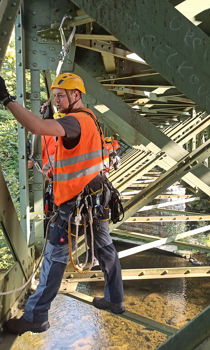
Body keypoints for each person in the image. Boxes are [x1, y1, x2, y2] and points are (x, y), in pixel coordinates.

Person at [0, 72, 125, 335]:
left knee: (53, 261)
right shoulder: (89, 119)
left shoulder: (74, 122)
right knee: (105, 249)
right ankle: (115, 299)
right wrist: (50, 121)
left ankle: (36, 316)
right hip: (96, 199)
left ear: (76, 95)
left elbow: (35, 128)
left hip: (74, 207)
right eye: (54, 95)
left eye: (61, 95)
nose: (56, 100)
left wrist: (7, 100)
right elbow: (61, 147)